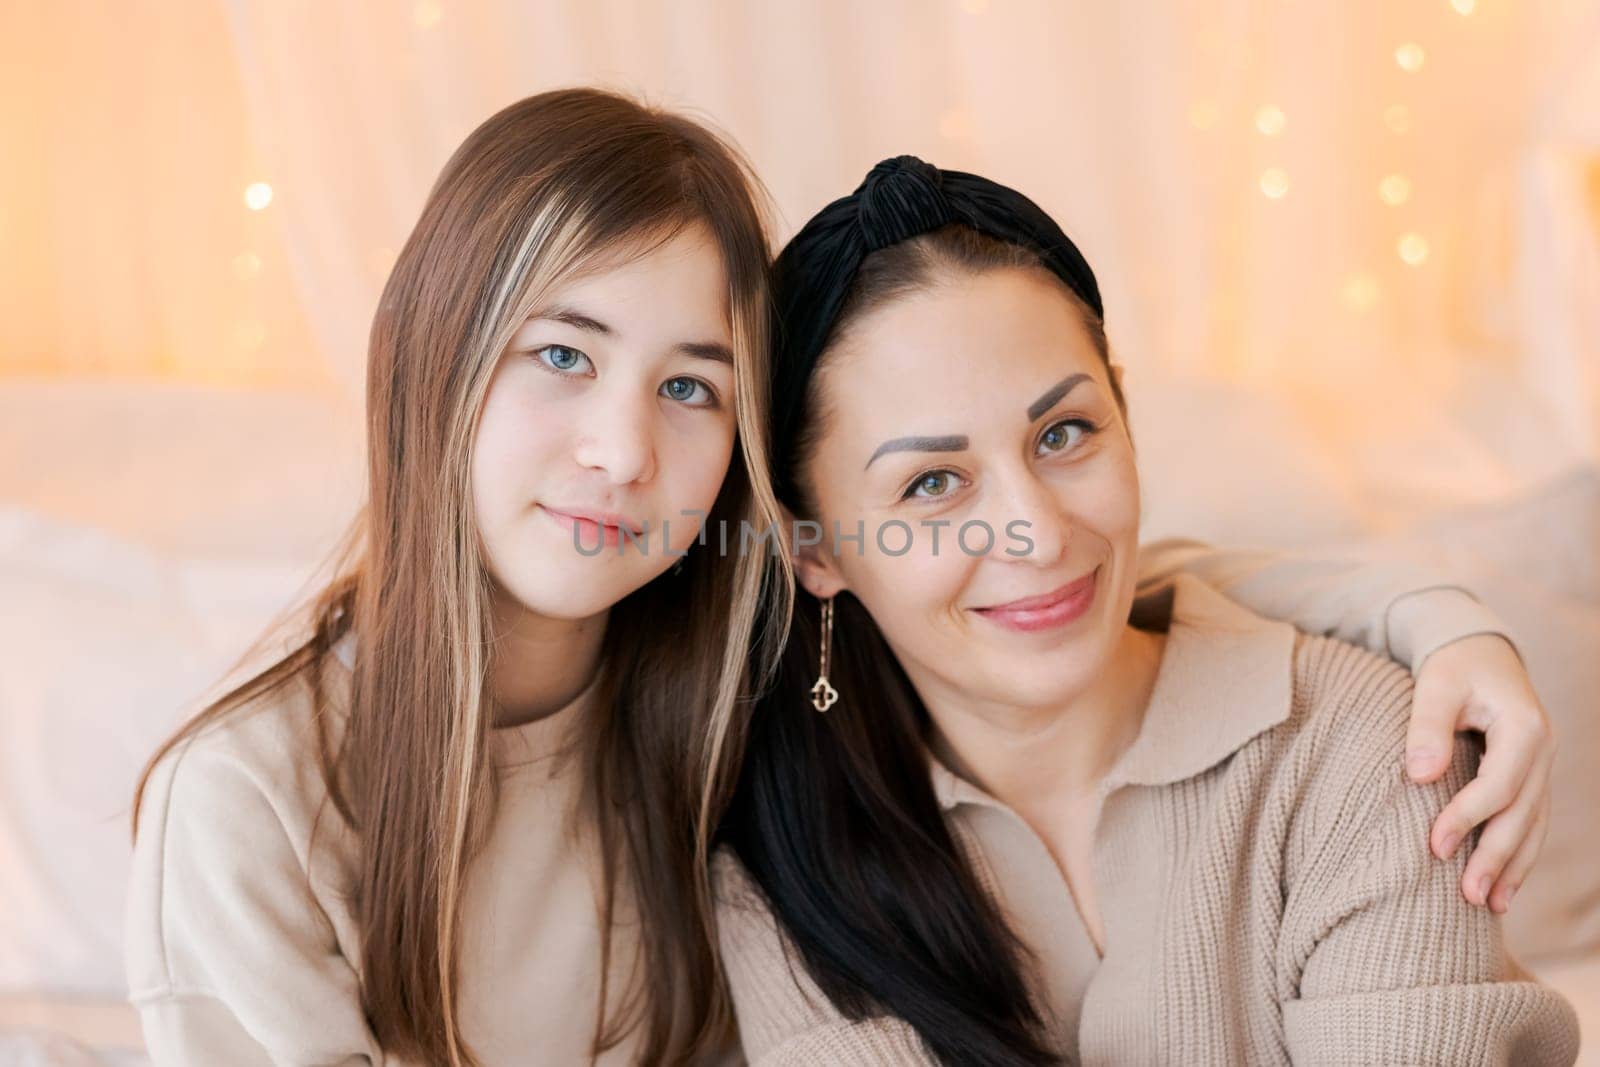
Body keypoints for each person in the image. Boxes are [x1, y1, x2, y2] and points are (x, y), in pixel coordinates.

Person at [715, 156, 1579, 1065]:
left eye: (1064, 433)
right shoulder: (784, 860)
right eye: (934, 482)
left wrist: (1439, 610)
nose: (1039, 534)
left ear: (1123, 414)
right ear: (813, 549)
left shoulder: (1371, 750)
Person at [126, 88, 785, 1066]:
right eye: (563, 353)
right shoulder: (245, 803)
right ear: (435, 362)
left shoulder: (736, 729)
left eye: (689, 386)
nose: (622, 451)